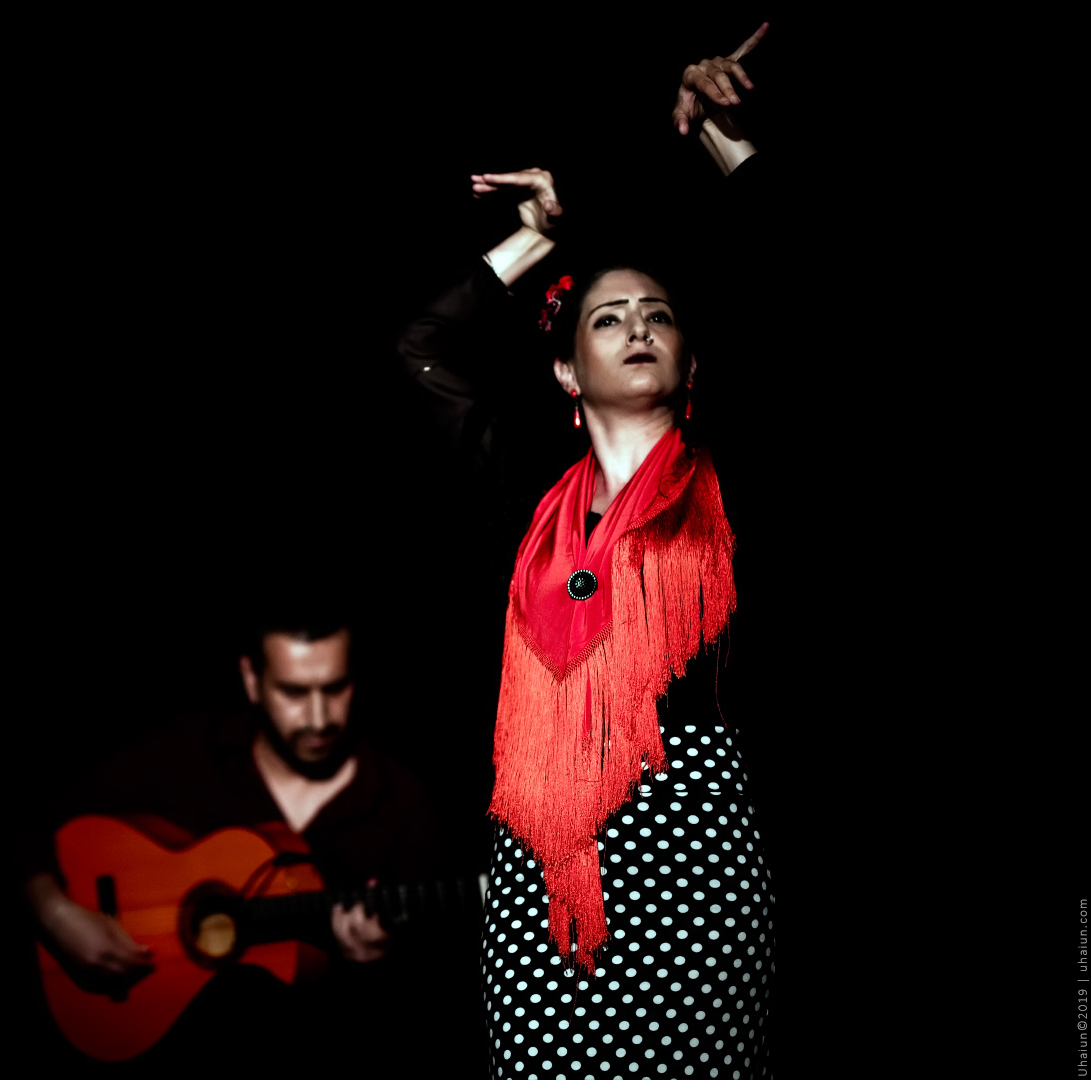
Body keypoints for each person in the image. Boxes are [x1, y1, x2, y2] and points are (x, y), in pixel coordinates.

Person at [400, 24, 779, 1078]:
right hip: (543, 861)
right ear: (568, 372)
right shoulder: (526, 492)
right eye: (608, 319)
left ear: (690, 357)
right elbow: (421, 350)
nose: (638, 327)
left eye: (658, 315)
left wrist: (726, 142)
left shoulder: (727, 475)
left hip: (691, 850)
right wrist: (534, 235)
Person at [20, 610, 458, 1075]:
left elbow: (429, 999)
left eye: (335, 689)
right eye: (294, 692)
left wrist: (377, 962)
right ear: (251, 679)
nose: (318, 718)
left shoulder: (403, 805)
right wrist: (56, 913)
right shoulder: (188, 753)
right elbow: (30, 824)